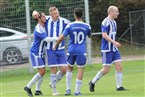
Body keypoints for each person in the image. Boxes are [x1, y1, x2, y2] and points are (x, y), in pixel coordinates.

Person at [53, 8, 92, 96]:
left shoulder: (69, 26)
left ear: (74, 15)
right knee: (80, 70)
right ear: (82, 15)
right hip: (81, 50)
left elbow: (61, 37)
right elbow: (89, 36)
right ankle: (77, 92)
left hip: (71, 50)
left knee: (69, 68)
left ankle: (68, 90)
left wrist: (55, 45)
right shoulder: (87, 26)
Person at [89, 5, 127, 92]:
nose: (118, 13)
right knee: (106, 70)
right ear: (111, 12)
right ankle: (92, 82)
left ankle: (119, 87)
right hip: (107, 49)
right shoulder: (106, 22)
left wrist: (114, 43)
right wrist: (114, 42)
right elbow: (104, 35)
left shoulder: (114, 22)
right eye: (116, 11)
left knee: (119, 65)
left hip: (114, 48)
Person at [24, 11, 58, 97]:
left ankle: (37, 90)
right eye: (43, 16)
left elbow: (35, 13)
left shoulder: (44, 25)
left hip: (41, 53)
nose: (45, 18)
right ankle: (28, 87)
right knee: (42, 71)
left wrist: (35, 13)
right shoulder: (38, 28)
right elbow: (46, 39)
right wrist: (58, 38)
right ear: (39, 18)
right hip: (36, 53)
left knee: (43, 71)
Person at [45, 6, 70, 96]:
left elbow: (72, 25)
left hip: (61, 49)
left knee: (64, 69)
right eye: (55, 14)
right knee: (53, 69)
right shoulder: (46, 20)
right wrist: (35, 13)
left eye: (58, 13)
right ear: (50, 14)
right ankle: (54, 91)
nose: (57, 15)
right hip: (50, 49)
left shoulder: (64, 21)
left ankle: (52, 83)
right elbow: (36, 15)